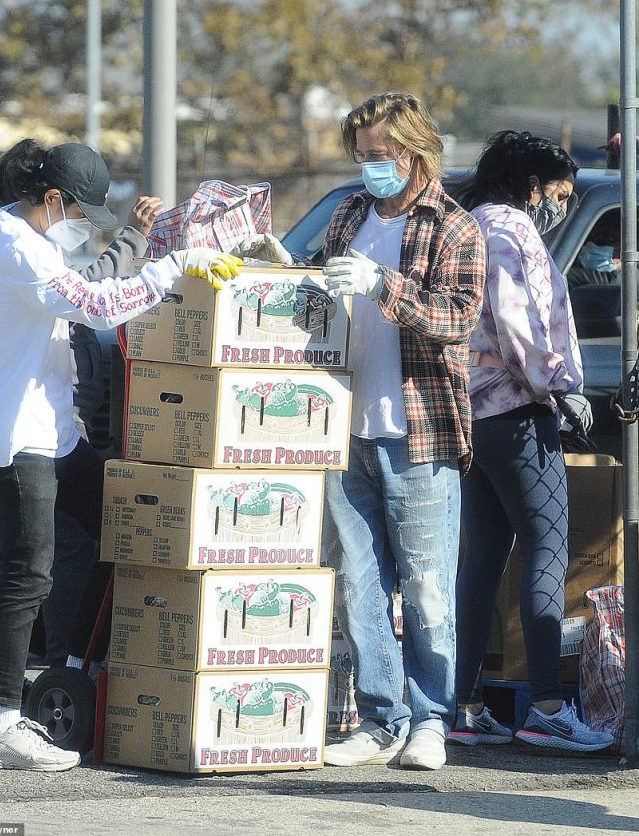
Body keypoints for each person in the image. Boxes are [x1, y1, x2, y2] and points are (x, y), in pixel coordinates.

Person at [0, 138, 241, 771]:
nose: (85, 227)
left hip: (55, 433)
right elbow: (95, 305)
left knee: (119, 529)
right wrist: (175, 268)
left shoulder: (28, 237)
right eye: (82, 214)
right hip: (17, 439)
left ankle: (78, 670)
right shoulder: (15, 246)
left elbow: (90, 288)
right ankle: (1, 722)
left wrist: (153, 255)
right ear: (52, 200)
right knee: (26, 572)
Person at [238, 91, 486, 771]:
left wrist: (385, 284)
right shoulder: (349, 211)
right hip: (342, 425)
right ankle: (381, 718)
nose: (371, 166)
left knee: (430, 586)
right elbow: (318, 292)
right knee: (358, 583)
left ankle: (432, 718)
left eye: (382, 155)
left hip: (419, 431)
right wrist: (283, 269)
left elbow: (459, 316)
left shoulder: (455, 227)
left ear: (416, 152)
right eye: (364, 155)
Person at [449, 130, 613, 752]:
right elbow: (519, 320)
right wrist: (560, 383)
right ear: (531, 184)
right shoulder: (510, 231)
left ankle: (462, 704)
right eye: (559, 194)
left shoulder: (471, 223)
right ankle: (546, 704)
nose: (561, 207)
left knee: (482, 562)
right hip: (518, 411)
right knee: (548, 550)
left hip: (475, 414)